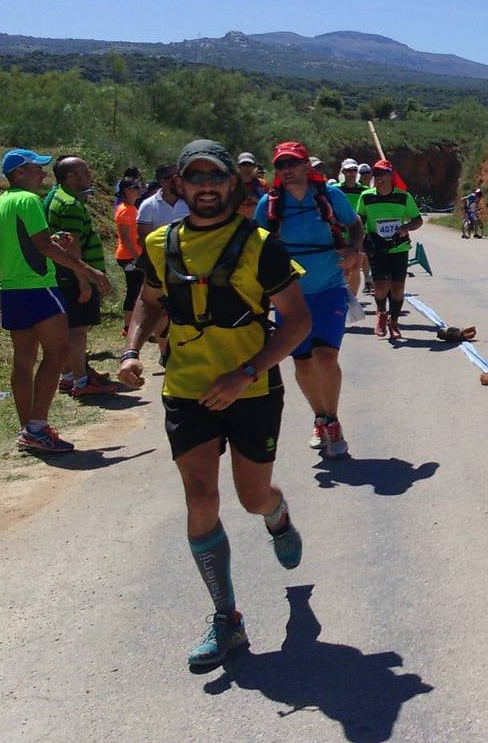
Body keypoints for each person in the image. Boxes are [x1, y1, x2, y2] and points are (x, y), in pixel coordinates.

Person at [117, 139, 311, 670]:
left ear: (233, 184)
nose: (206, 185)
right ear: (179, 185)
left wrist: (246, 371)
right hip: (186, 390)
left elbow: (297, 322)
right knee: (201, 499)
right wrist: (132, 350)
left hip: (250, 391)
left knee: (251, 497)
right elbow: (148, 302)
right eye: (194, 176)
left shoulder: (261, 245)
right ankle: (227, 618)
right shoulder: (159, 243)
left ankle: (277, 515)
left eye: (216, 176)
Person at [0, 149, 112, 453]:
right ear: (19, 174)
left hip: (11, 289)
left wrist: (54, 242)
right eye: (36, 169)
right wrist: (87, 270)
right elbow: (41, 246)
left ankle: (28, 429)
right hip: (39, 287)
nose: (43, 174)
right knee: (57, 355)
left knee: (24, 359)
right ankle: (38, 427)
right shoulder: (28, 200)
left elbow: (23, 244)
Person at [254, 141, 362, 460]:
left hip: (329, 287)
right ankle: (320, 417)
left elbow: (354, 224)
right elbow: (256, 247)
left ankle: (333, 420)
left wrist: (354, 250)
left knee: (325, 357)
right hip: (289, 295)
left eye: (292, 164)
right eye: (280, 165)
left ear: (306, 167)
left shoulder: (330, 197)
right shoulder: (268, 205)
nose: (287, 170)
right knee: (302, 362)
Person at [42, 156, 121, 397]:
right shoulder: (69, 205)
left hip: (63, 274)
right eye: (84, 171)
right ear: (70, 177)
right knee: (78, 330)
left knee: (70, 328)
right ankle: (82, 382)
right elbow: (72, 247)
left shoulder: (55, 195)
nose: (90, 175)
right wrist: (84, 282)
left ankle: (69, 376)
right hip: (74, 275)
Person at [355, 159, 423, 340]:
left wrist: (405, 228)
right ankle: (382, 314)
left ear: (391, 176)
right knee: (380, 287)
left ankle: (394, 322)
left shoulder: (403, 197)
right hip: (376, 248)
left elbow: (418, 220)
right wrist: (359, 241)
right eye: (375, 174)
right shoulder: (366, 196)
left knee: (398, 287)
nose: (378, 178)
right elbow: (358, 220)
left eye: (382, 174)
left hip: (398, 248)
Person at [137, 163, 189, 362]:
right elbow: (143, 237)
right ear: (160, 181)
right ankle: (164, 352)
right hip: (160, 263)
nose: (174, 180)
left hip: (188, 262)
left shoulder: (189, 202)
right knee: (160, 309)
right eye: (168, 177)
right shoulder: (149, 204)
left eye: (177, 176)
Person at [335, 158, 371, 315]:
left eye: (354, 170)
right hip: (338, 235)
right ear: (342, 172)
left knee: (356, 267)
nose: (351, 174)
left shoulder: (364, 191)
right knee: (343, 270)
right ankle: (341, 299)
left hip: (357, 234)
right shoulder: (335, 189)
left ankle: (351, 302)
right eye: (348, 170)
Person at [114, 177, 144, 335]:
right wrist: (137, 258)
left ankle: (134, 324)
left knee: (138, 289)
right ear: (125, 191)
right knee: (133, 290)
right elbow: (125, 239)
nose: (139, 189)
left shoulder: (131, 207)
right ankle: (128, 327)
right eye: (135, 187)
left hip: (133, 254)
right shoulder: (125, 209)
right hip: (128, 256)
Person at [356, 163, 375, 294]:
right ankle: (367, 279)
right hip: (359, 227)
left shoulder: (375, 188)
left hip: (372, 227)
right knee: (363, 256)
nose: (365, 175)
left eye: (367, 173)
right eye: (362, 173)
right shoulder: (358, 189)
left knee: (371, 256)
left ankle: (370, 279)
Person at [235, 152, 268, 220]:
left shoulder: (262, 184)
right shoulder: (232, 184)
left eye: (249, 165)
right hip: (237, 222)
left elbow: (269, 205)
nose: (246, 168)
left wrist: (256, 200)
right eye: (244, 164)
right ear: (238, 166)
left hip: (258, 222)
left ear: (254, 167)